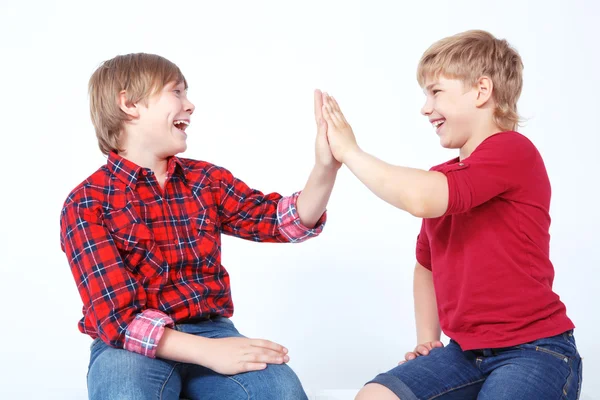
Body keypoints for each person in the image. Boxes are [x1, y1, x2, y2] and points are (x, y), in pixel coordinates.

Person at [60, 52, 340, 399]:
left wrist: (325, 167)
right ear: (129, 104)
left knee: (280, 391)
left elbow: (284, 221)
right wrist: (209, 354)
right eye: (176, 92)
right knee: (126, 392)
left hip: (212, 331)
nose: (190, 105)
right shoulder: (87, 202)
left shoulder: (205, 180)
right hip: (128, 347)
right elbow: (116, 317)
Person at [320, 30, 582, 399]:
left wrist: (350, 152)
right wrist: (428, 339)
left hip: (534, 350)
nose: (425, 108)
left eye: (436, 92)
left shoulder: (512, 151)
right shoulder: (440, 179)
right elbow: (425, 265)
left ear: (481, 90)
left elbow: (419, 198)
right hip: (465, 353)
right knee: (374, 395)